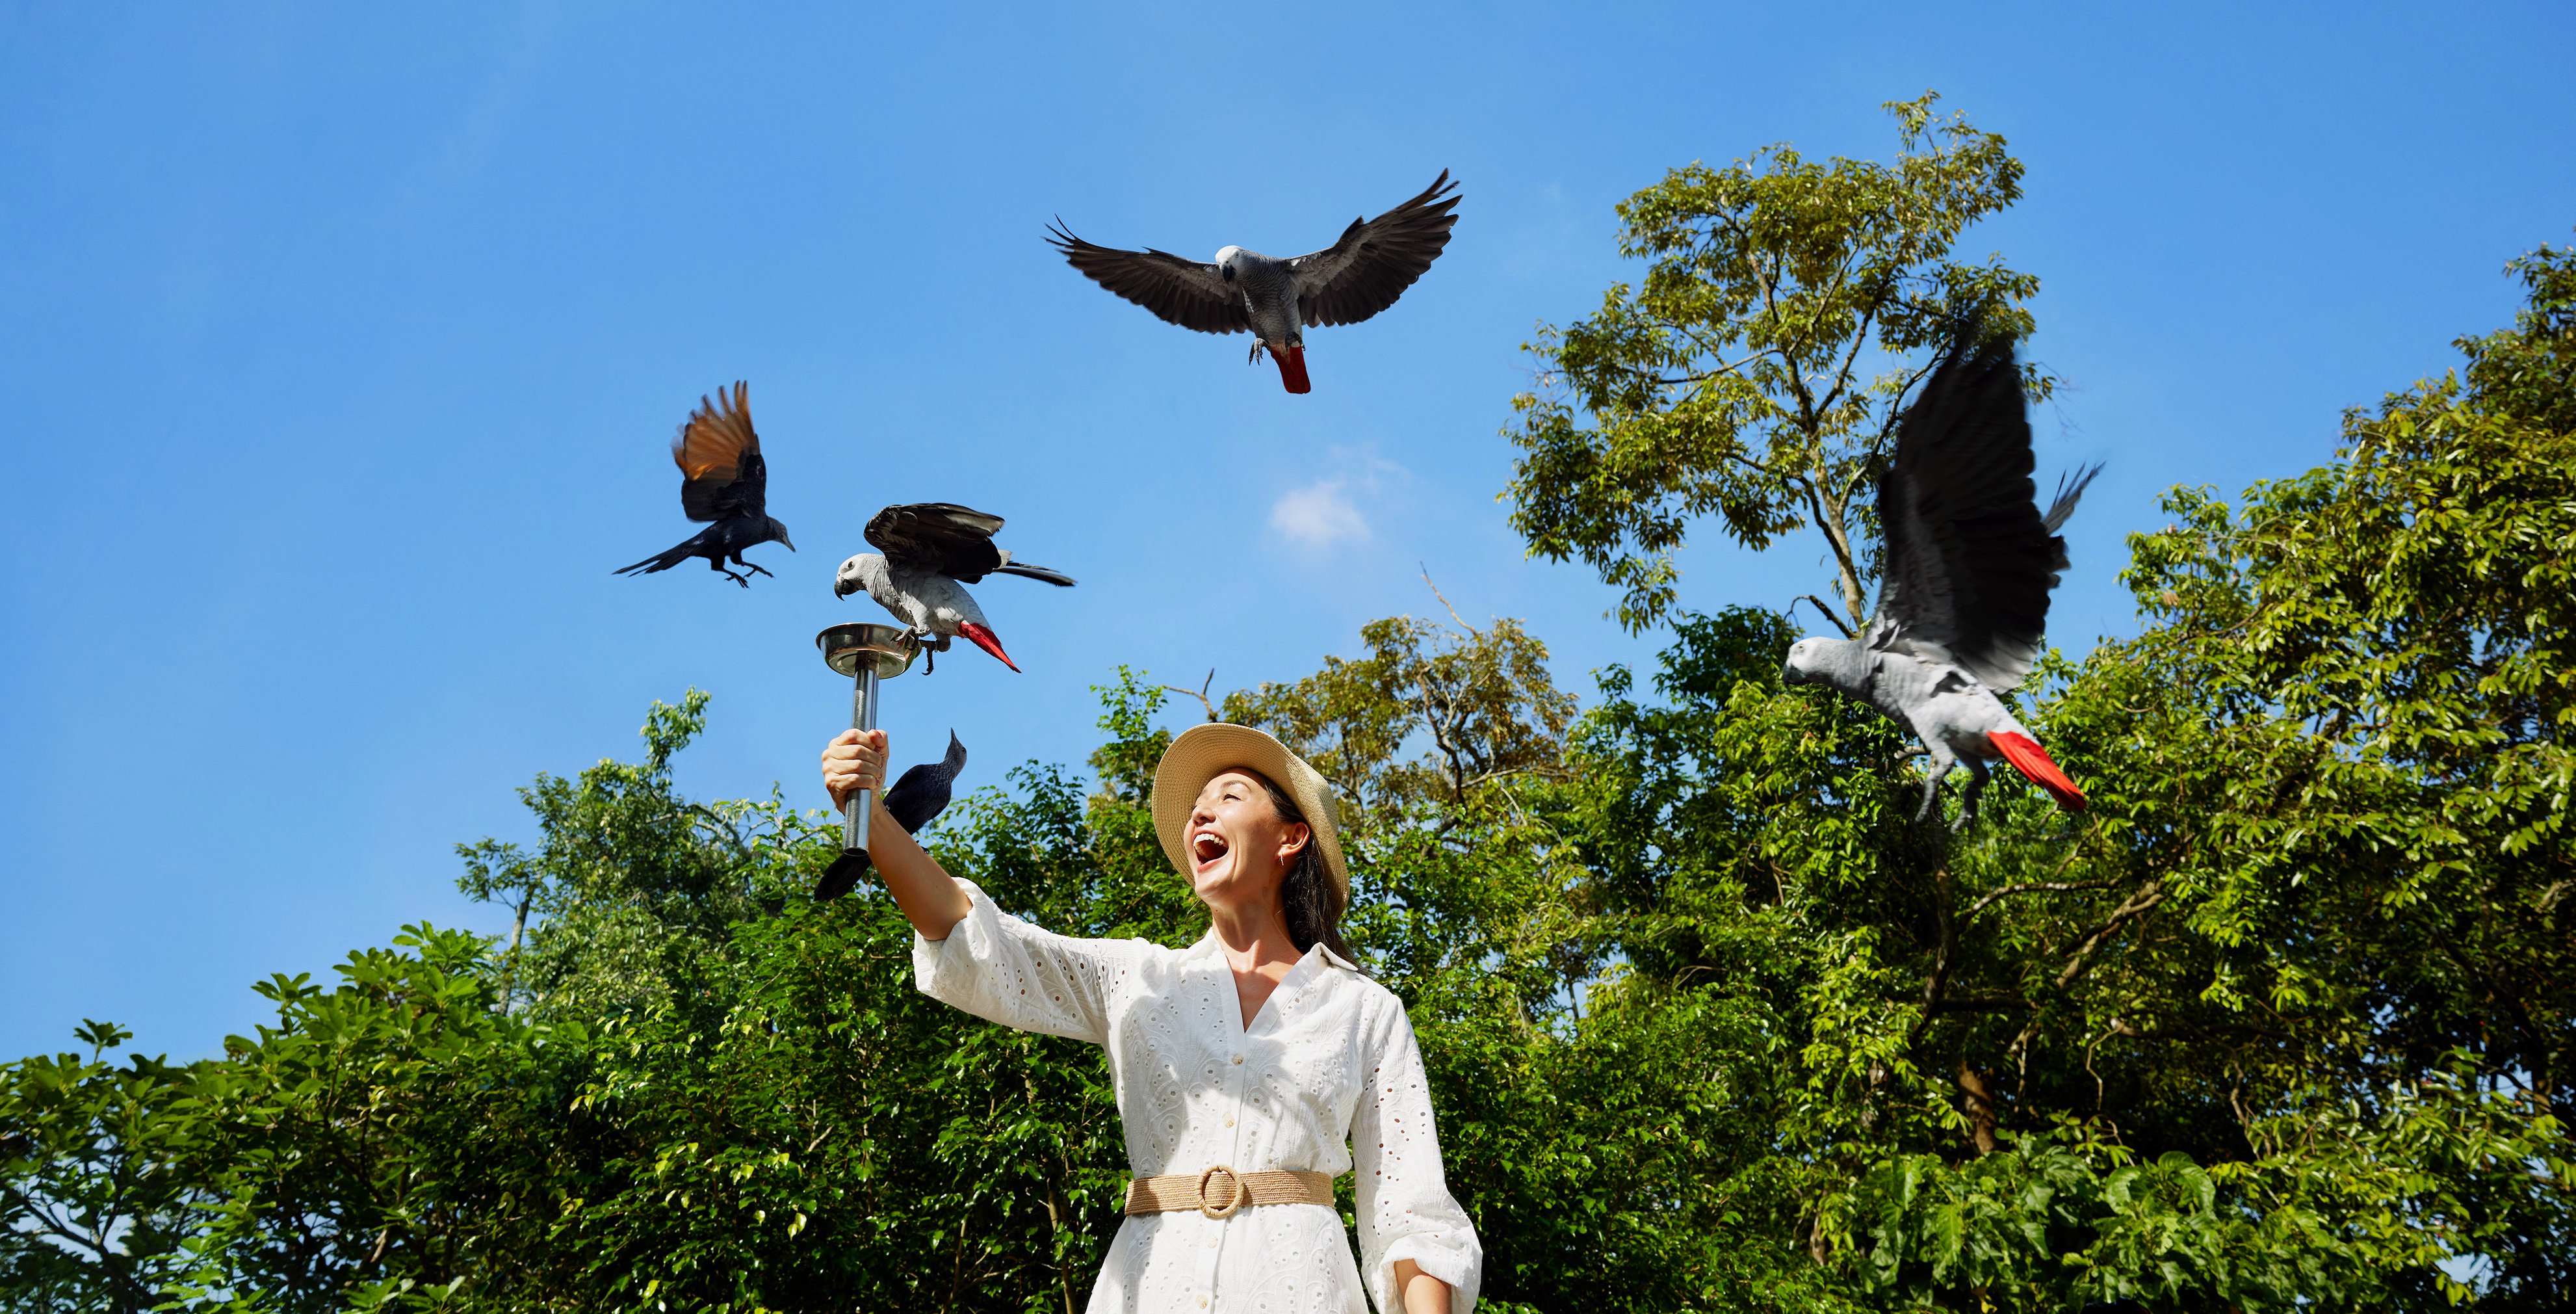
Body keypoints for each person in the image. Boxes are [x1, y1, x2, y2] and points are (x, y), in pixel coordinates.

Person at [821, 720, 1481, 1313]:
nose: (1200, 814)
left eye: (1229, 796)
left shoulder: (1365, 1008)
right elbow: (978, 940)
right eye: (1195, 808)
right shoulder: (1137, 977)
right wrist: (871, 816)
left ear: (1292, 836)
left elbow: (1412, 1212)